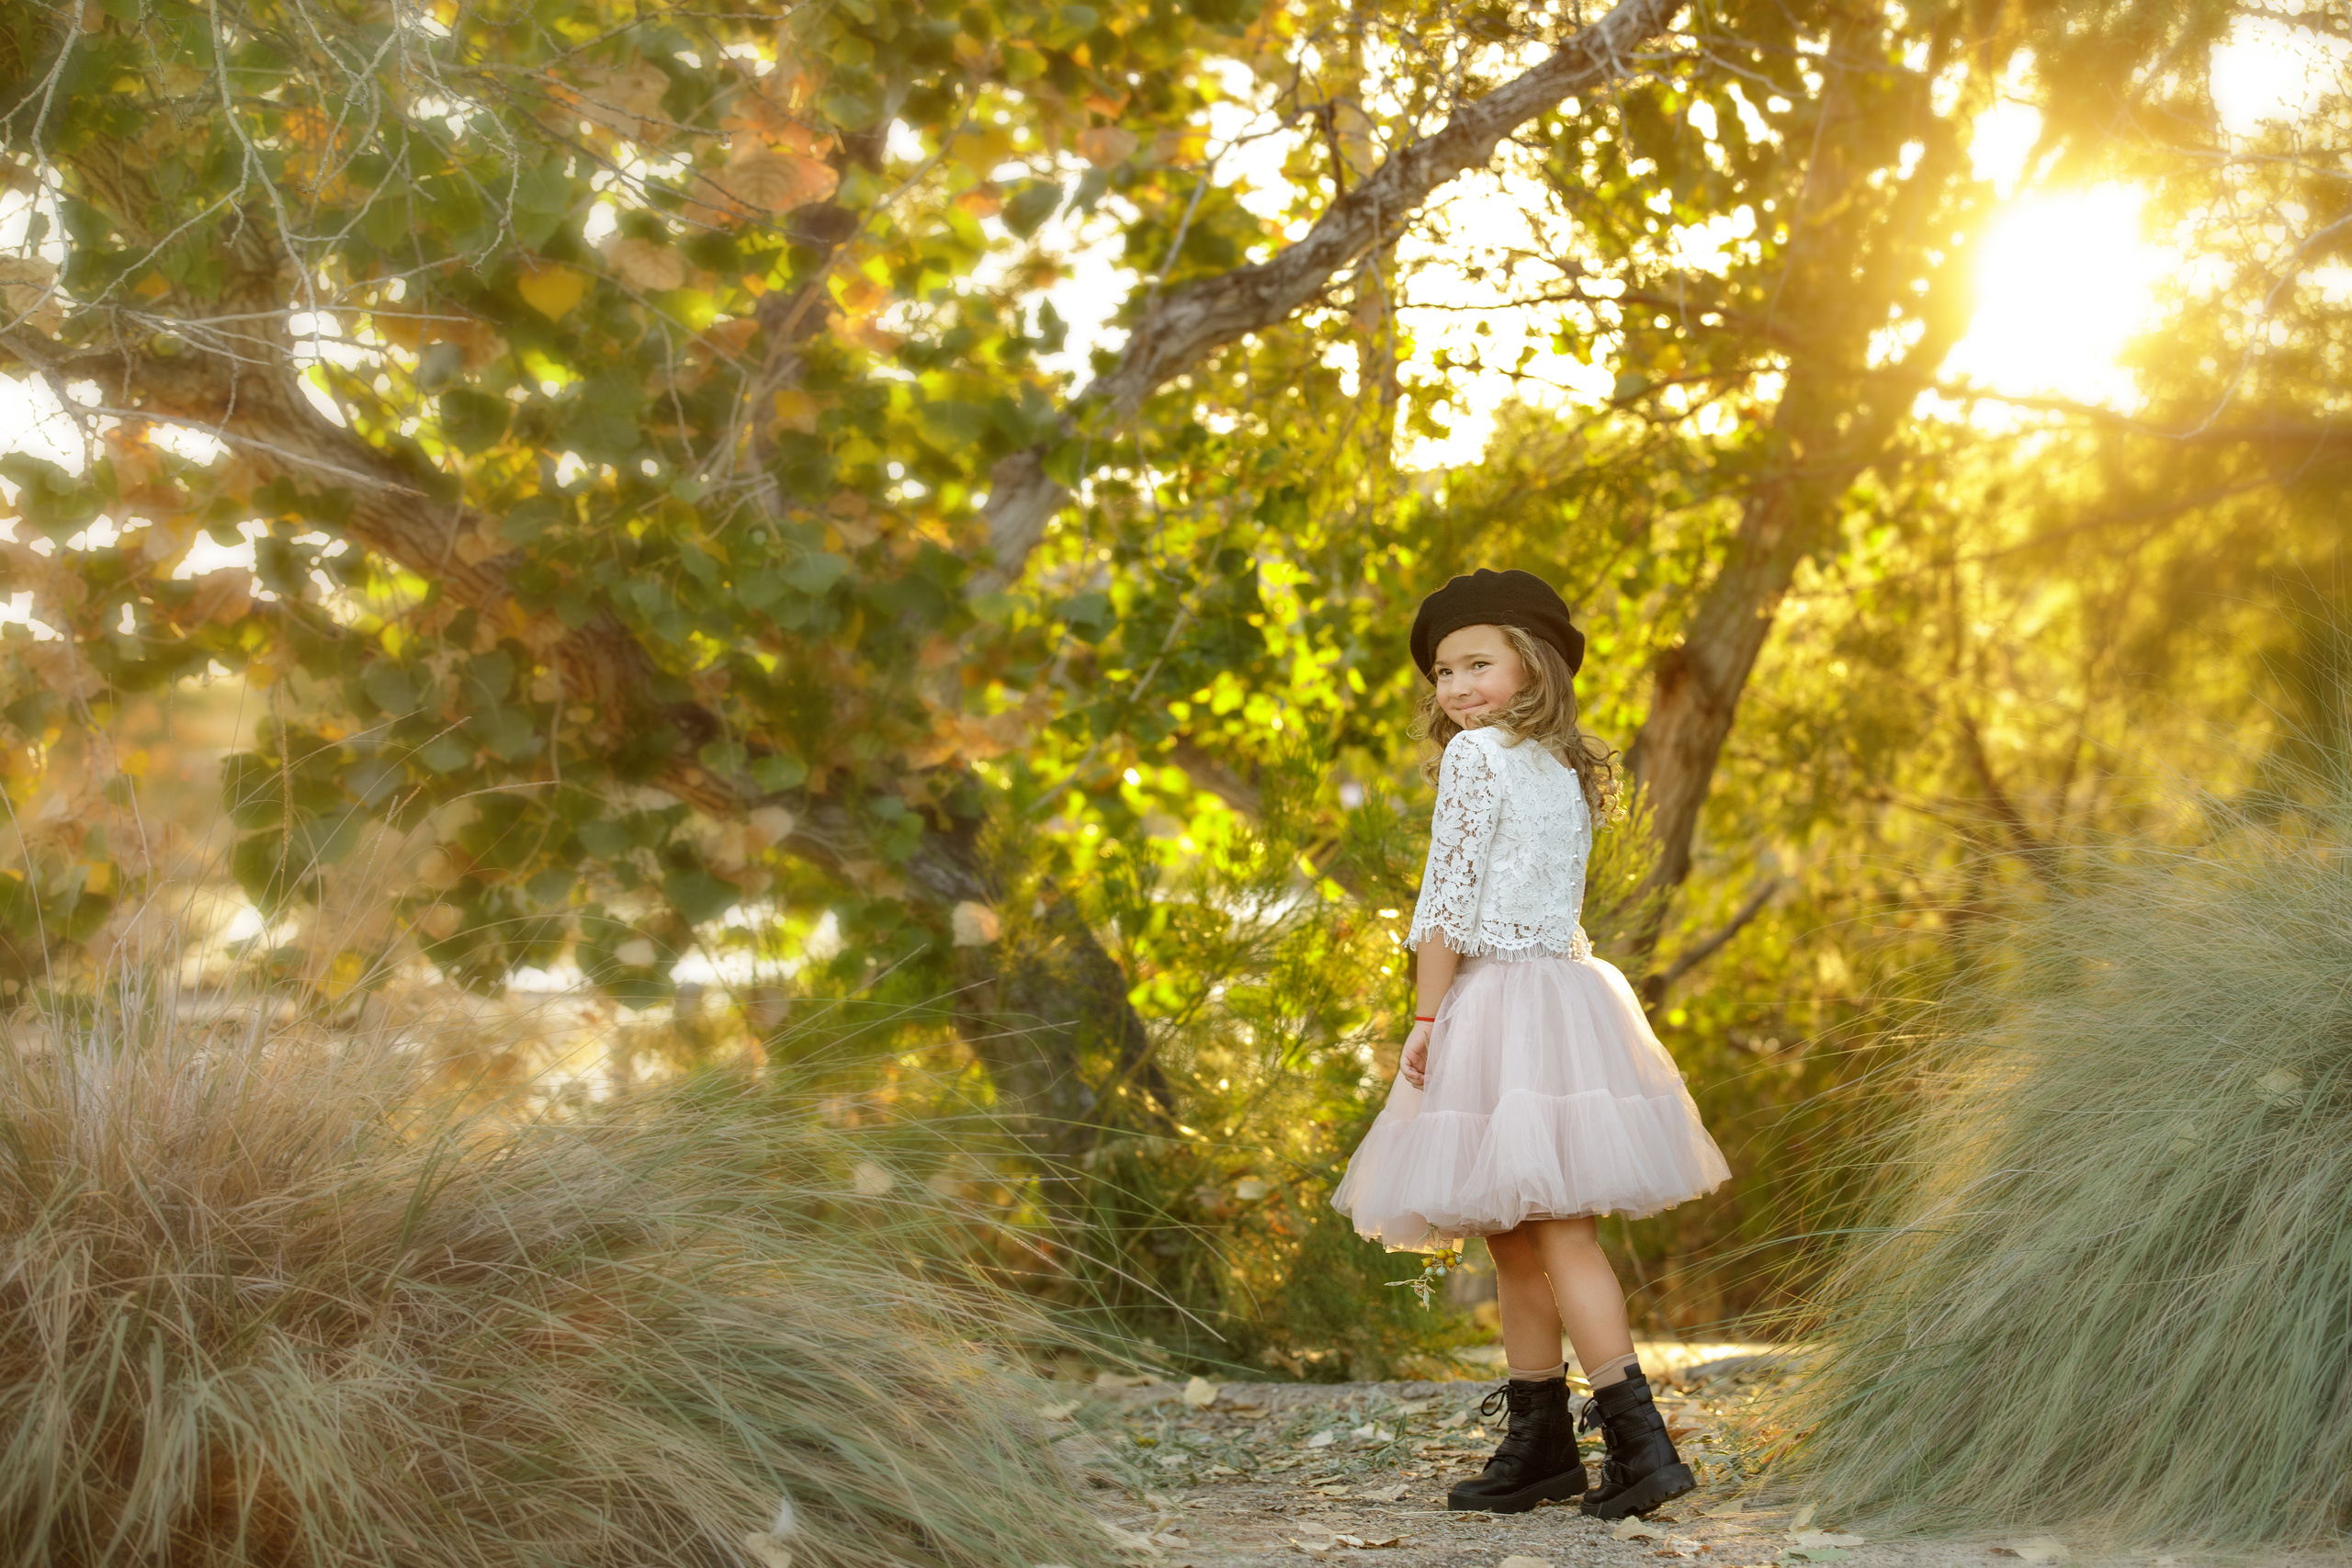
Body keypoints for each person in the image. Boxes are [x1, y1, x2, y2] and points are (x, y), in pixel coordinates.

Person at [1332, 568, 1731, 1521]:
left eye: (1478, 662)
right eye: (1442, 671)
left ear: (1531, 662)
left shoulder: (1475, 760)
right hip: (1564, 996)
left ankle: (1639, 1444)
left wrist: (1425, 1020)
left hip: (1497, 1001)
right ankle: (1540, 1440)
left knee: (1551, 1230)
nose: (1456, 687)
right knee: (1515, 1235)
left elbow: (1445, 905)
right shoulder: (1561, 766)